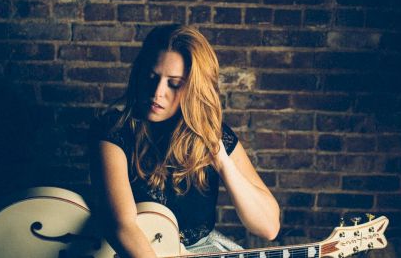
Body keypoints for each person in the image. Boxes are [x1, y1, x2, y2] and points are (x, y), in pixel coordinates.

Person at [90, 24, 280, 258]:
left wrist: (222, 161)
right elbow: (121, 226)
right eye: (152, 77)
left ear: (193, 89)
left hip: (201, 250)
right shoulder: (114, 132)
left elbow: (269, 227)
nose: (157, 92)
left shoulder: (216, 135)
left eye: (174, 83)